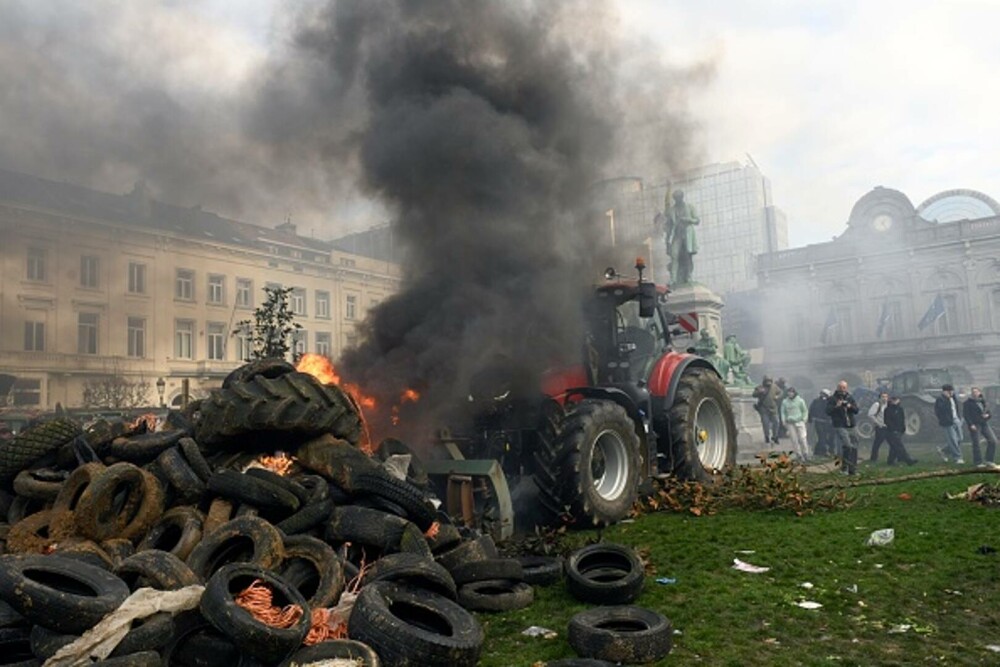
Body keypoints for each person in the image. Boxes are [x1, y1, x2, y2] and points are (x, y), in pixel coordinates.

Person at [663, 189, 699, 285]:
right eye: (675, 198)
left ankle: (688, 276)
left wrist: (687, 219)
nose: (677, 199)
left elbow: (697, 220)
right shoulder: (672, 210)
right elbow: (668, 223)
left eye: (679, 197)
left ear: (682, 197)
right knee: (674, 256)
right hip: (677, 235)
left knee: (688, 257)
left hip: (687, 234)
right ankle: (673, 279)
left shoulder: (689, 207)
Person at [827, 380, 860, 475]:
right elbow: (828, 411)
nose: (842, 390)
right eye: (840, 388)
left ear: (847, 388)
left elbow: (856, 410)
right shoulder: (833, 399)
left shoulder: (850, 397)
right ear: (837, 388)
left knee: (854, 447)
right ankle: (844, 468)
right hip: (840, 425)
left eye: (844, 388)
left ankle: (852, 469)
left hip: (851, 425)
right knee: (847, 445)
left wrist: (849, 406)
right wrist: (837, 406)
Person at [963, 387, 998, 468]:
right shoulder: (967, 403)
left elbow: (988, 412)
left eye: (976, 391)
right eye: (973, 392)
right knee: (976, 443)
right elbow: (966, 415)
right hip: (975, 424)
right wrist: (971, 424)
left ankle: (989, 460)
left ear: (979, 392)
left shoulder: (982, 401)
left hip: (984, 423)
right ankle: (978, 462)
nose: (975, 393)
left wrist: (988, 415)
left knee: (993, 441)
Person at [933, 384, 964, 464]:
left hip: (956, 419)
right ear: (944, 391)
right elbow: (940, 410)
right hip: (947, 422)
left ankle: (943, 451)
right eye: (948, 391)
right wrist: (947, 399)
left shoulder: (953, 398)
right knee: (953, 440)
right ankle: (957, 457)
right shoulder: (940, 399)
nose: (950, 393)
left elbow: (956, 408)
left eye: (951, 391)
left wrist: (959, 417)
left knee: (960, 438)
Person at [884, 395, 917, 465]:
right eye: (896, 400)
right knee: (899, 446)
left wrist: (903, 428)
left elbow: (902, 419)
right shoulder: (888, 410)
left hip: (899, 430)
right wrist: (893, 429)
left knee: (894, 447)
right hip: (891, 431)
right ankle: (908, 459)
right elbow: (887, 421)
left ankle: (890, 461)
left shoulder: (900, 409)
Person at [780, 386, 810, 463]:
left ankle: (806, 453)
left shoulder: (800, 401)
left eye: (791, 392)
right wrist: (783, 420)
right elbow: (783, 412)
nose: (790, 394)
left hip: (800, 422)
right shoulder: (785, 402)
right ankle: (798, 454)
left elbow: (805, 411)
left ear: (794, 393)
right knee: (794, 440)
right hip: (790, 423)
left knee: (802, 438)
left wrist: (804, 419)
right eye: (788, 392)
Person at [753, 375, 782, 445]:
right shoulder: (760, 387)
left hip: (773, 408)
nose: (768, 382)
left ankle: (775, 436)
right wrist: (759, 392)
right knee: (766, 424)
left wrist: (777, 396)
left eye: (769, 381)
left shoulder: (774, 387)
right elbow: (754, 394)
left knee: (776, 422)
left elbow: (781, 392)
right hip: (764, 409)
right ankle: (767, 436)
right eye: (767, 381)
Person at [808, 389, 834, 456]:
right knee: (822, 436)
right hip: (818, 421)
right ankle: (824, 451)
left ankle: (817, 451)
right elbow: (811, 410)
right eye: (822, 394)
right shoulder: (816, 401)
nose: (823, 395)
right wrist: (810, 419)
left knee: (825, 437)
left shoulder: (830, 402)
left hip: (827, 422)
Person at [867, 391, 890, 463]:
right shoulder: (877, 405)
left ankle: (893, 458)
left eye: (886, 397)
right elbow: (870, 415)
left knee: (892, 442)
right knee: (877, 443)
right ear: (880, 398)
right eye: (883, 397)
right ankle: (873, 458)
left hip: (888, 427)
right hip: (880, 427)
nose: (885, 398)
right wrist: (878, 423)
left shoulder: (888, 405)